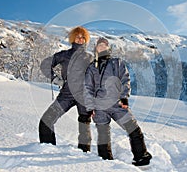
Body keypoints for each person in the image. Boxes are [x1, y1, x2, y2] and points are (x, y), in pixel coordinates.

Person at [84, 37, 152, 166]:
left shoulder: (116, 62)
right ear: (96, 48)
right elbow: (87, 88)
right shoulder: (92, 67)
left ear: (108, 48)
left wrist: (124, 96)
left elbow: (124, 79)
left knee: (133, 129)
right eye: (100, 46)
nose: (102, 47)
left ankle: (141, 157)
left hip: (117, 103)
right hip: (99, 106)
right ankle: (106, 162)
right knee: (103, 134)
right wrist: (89, 107)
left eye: (105, 46)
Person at [39, 26, 93, 152]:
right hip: (66, 95)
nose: (80, 39)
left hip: (84, 97)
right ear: (73, 38)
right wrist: (56, 79)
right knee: (46, 121)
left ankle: (84, 154)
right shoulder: (64, 55)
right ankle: (48, 151)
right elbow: (45, 65)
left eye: (83, 37)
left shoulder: (90, 58)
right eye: (78, 37)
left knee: (84, 127)